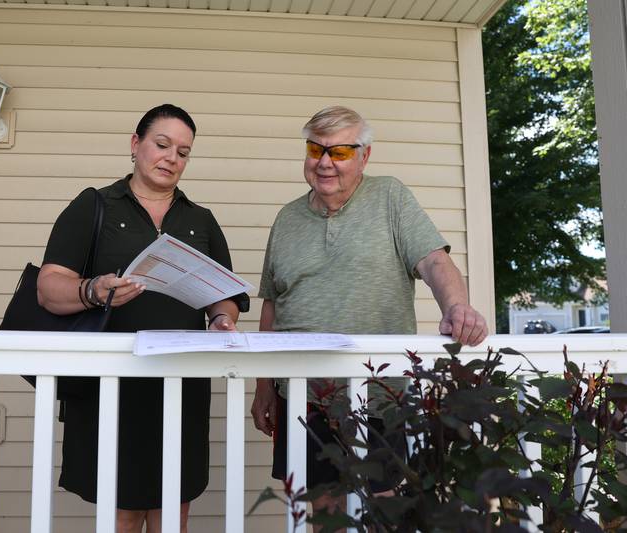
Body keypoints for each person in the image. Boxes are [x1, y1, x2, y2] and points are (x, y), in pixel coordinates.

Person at [249, 105, 488, 530]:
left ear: (365, 156)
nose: (325, 162)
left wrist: (457, 307)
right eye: (315, 149)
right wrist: (264, 386)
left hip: (380, 398)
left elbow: (434, 262)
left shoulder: (390, 198)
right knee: (320, 512)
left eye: (340, 152)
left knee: (383, 512)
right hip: (303, 399)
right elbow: (272, 304)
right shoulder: (286, 218)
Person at [37, 104, 249, 533]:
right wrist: (94, 289)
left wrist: (222, 320)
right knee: (123, 516)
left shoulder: (200, 220)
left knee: (174, 514)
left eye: (184, 152)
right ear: (136, 145)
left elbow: (225, 298)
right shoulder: (94, 205)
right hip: (112, 386)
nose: (172, 158)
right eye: (162, 144)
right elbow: (48, 287)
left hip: (180, 386)